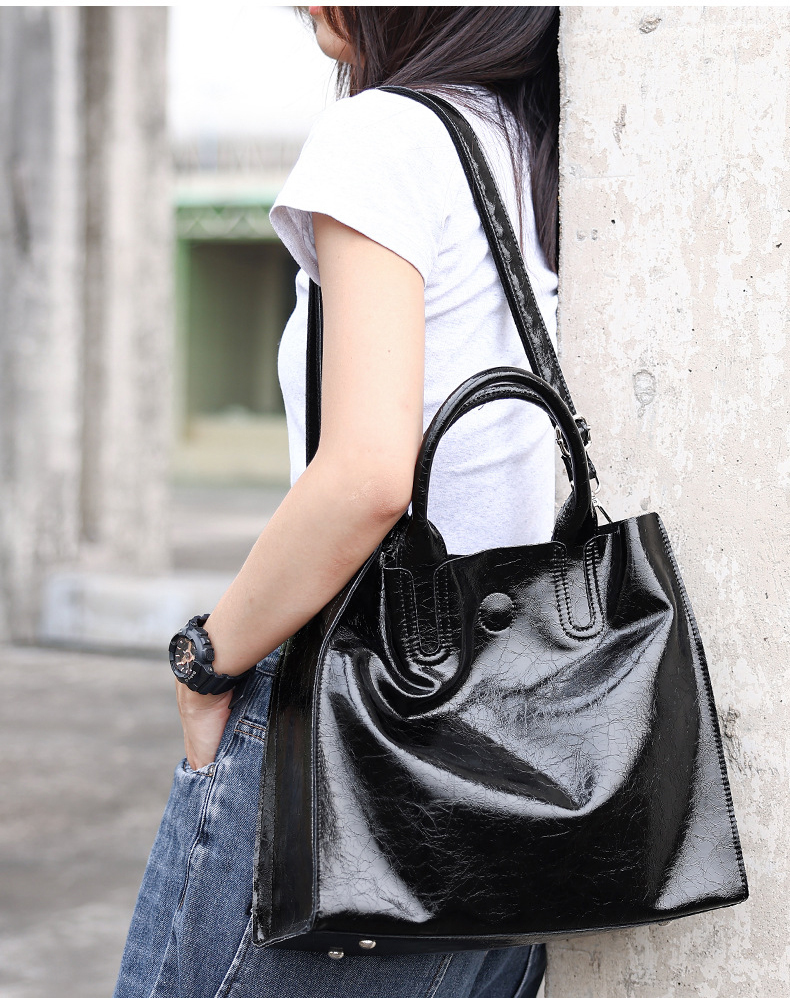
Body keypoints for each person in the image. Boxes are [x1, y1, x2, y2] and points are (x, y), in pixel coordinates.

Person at [114, 7, 561, 997]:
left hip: (361, 725)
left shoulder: (385, 135)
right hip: (527, 742)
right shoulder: (531, 145)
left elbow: (365, 476)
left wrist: (206, 659)